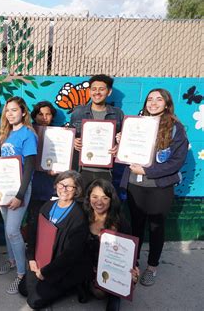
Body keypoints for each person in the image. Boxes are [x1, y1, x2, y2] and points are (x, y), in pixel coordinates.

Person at [120, 88, 188, 286]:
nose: (153, 103)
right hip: (135, 185)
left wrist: (148, 172)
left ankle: (152, 267)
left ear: (167, 104)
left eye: (159, 99)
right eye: (150, 99)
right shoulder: (136, 124)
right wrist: (121, 143)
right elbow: (127, 151)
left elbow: (176, 161)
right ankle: (134, 264)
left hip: (159, 187)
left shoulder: (176, 128)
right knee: (136, 227)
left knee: (156, 227)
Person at [19, 170, 89, 309]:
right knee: (24, 289)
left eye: (69, 186)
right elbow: (33, 234)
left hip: (62, 268)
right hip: (43, 261)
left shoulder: (78, 217)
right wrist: (32, 258)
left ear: (76, 190)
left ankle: (71, 286)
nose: (64, 189)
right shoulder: (47, 206)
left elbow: (71, 254)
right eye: (61, 184)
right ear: (56, 185)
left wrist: (46, 271)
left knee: (34, 302)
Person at [0, 96, 37, 294]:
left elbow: (29, 167)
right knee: (6, 228)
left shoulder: (28, 134)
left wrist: (20, 195)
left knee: (13, 230)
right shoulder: (7, 133)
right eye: (7, 111)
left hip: (19, 189)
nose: (10, 114)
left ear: (24, 112)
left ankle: (21, 274)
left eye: (14, 110)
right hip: (4, 187)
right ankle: (11, 260)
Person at [81, 179, 140, 311]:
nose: (99, 202)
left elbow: (129, 253)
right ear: (89, 198)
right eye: (94, 197)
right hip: (88, 264)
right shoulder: (82, 217)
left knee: (102, 293)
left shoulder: (121, 223)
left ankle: (115, 293)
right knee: (96, 293)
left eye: (105, 198)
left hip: (112, 267)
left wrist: (133, 269)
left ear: (111, 200)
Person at [70, 74, 124, 189]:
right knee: (81, 203)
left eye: (101, 89)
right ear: (89, 91)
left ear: (109, 92)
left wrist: (119, 146)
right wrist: (73, 142)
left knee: (103, 203)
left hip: (106, 170)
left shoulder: (118, 114)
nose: (97, 92)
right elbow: (69, 137)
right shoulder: (78, 113)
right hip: (81, 170)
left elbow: (123, 140)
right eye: (94, 89)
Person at [27, 101, 57, 232]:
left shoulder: (59, 133)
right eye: (40, 114)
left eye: (48, 114)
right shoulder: (28, 131)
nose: (44, 117)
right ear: (34, 116)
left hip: (49, 182)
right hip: (31, 180)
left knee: (47, 220)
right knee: (31, 219)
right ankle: (31, 247)